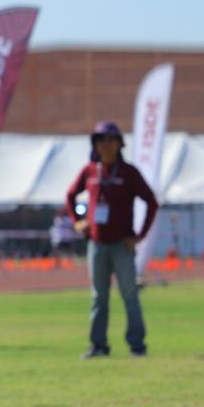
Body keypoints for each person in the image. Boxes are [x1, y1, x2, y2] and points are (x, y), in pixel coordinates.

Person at [66, 121, 158, 359]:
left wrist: (139, 236)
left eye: (109, 140)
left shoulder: (128, 173)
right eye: (100, 140)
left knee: (129, 294)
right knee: (99, 297)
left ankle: (137, 345)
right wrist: (77, 220)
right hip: (96, 244)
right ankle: (98, 345)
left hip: (122, 245)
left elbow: (151, 201)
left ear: (119, 143)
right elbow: (70, 195)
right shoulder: (89, 171)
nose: (105, 145)